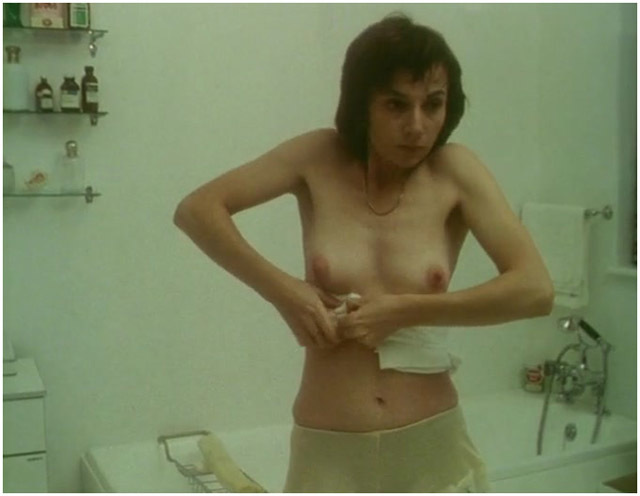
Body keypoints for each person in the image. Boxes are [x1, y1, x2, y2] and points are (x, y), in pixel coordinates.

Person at [174, 13, 553, 493]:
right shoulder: (318, 157)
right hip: (328, 447)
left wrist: (407, 310)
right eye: (396, 104)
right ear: (362, 104)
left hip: (431, 443)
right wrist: (285, 292)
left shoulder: (455, 171)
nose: (417, 126)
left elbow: (535, 290)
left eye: (433, 105)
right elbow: (197, 210)